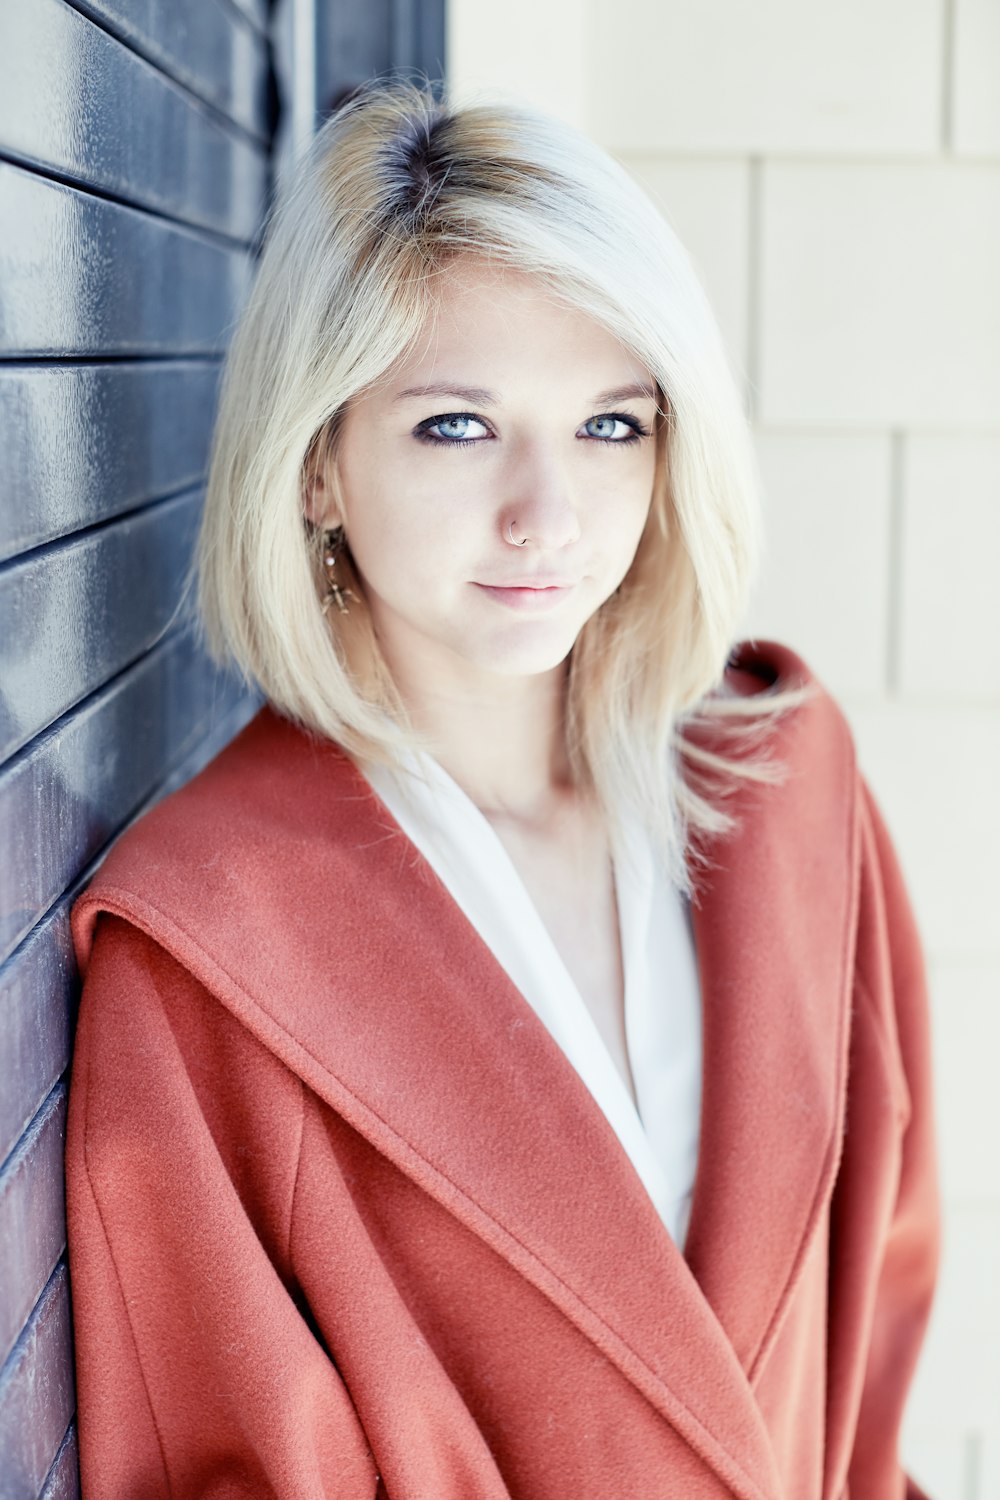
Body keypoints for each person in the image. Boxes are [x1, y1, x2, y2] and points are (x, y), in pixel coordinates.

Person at [65, 81, 940, 1499]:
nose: (551, 515)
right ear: (318, 468)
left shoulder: (791, 796)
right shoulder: (207, 947)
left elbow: (876, 1341)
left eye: (612, 426)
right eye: (459, 427)